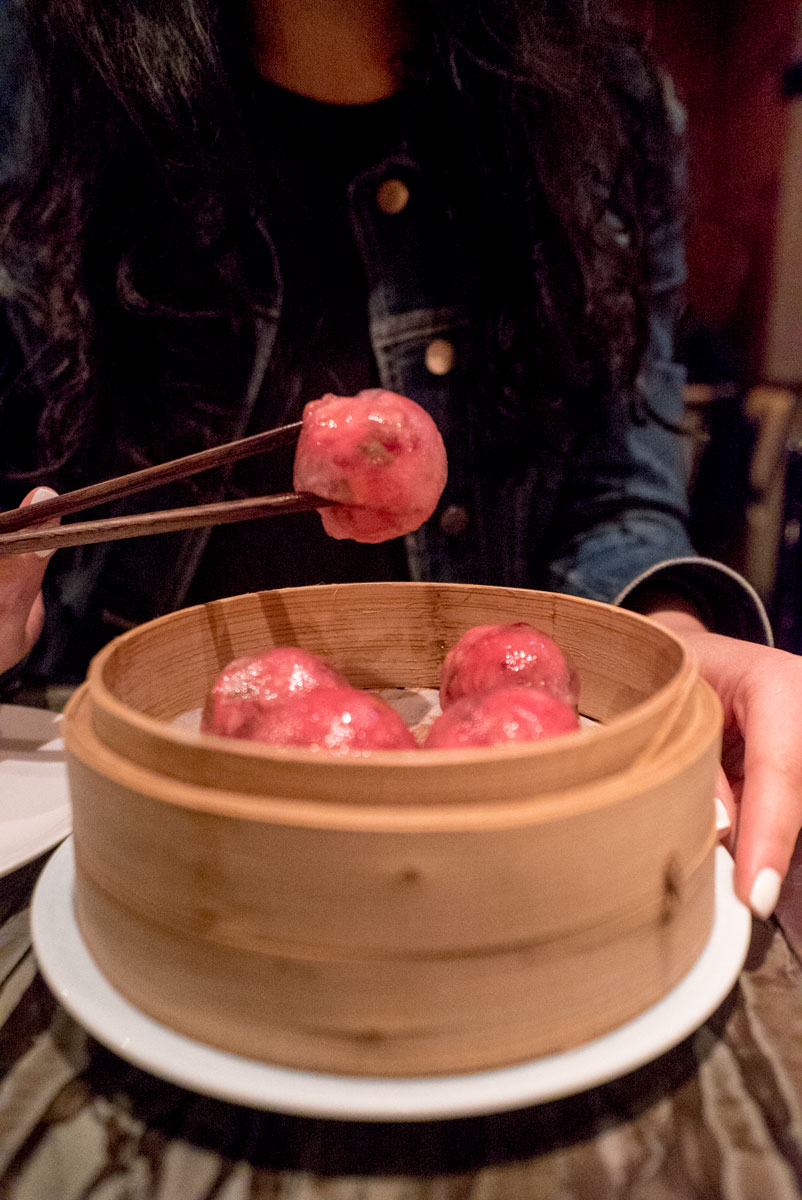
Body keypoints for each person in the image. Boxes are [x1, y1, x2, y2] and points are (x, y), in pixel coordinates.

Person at [0, 0, 799, 920]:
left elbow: (613, 498)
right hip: (97, 821)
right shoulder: (33, 74)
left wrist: (665, 642)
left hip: (498, 855)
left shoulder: (608, 102)